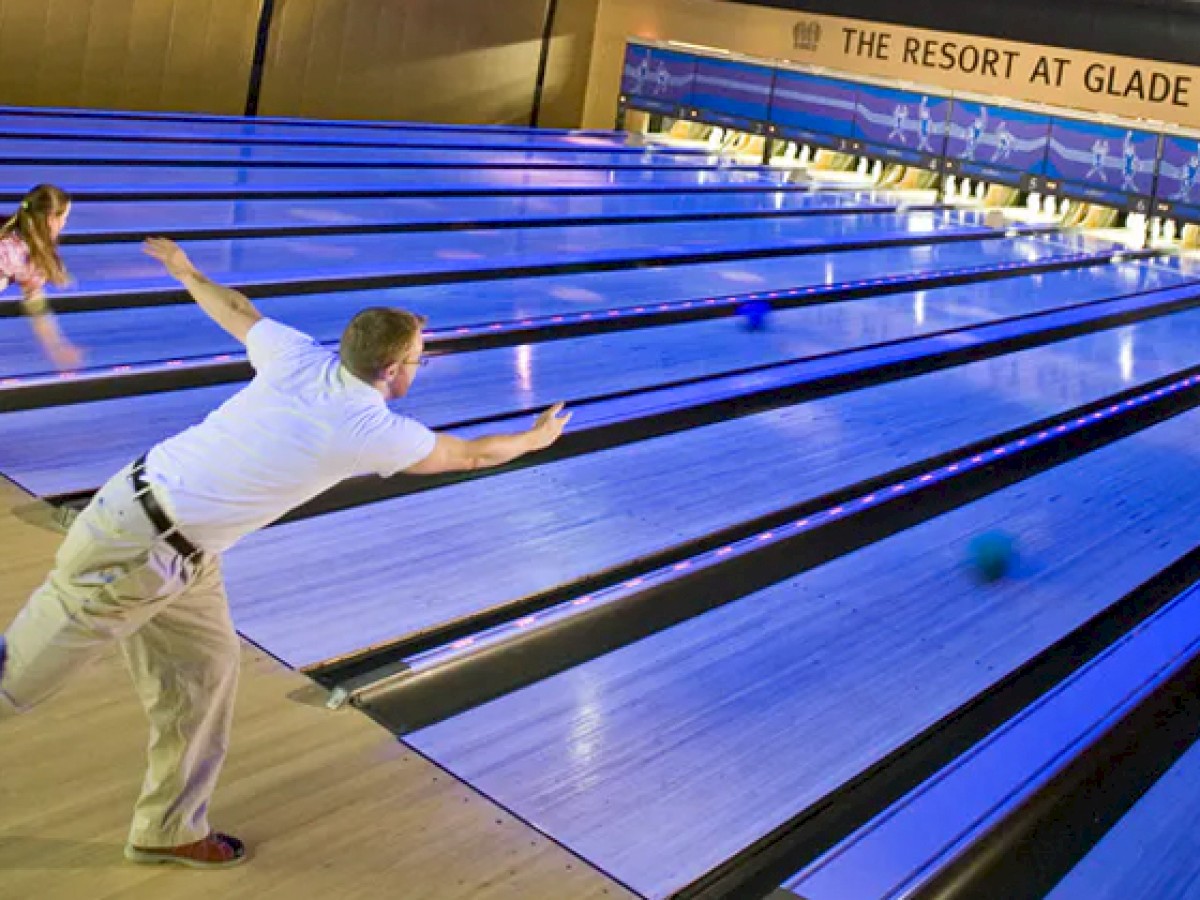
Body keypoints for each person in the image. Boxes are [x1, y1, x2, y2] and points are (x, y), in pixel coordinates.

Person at [0, 237, 570, 869]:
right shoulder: (370, 429)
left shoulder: (298, 356)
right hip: (135, 550)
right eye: (419, 359)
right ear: (392, 370)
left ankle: (168, 826)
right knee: (14, 681)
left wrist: (186, 271)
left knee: (205, 678)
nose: (421, 366)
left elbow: (237, 310)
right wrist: (535, 438)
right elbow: (467, 454)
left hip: (180, 545)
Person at [0, 184, 83, 370]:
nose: (64, 225)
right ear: (51, 220)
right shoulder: (11, 251)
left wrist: (56, 346)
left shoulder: (27, 252)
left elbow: (36, 303)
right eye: (64, 218)